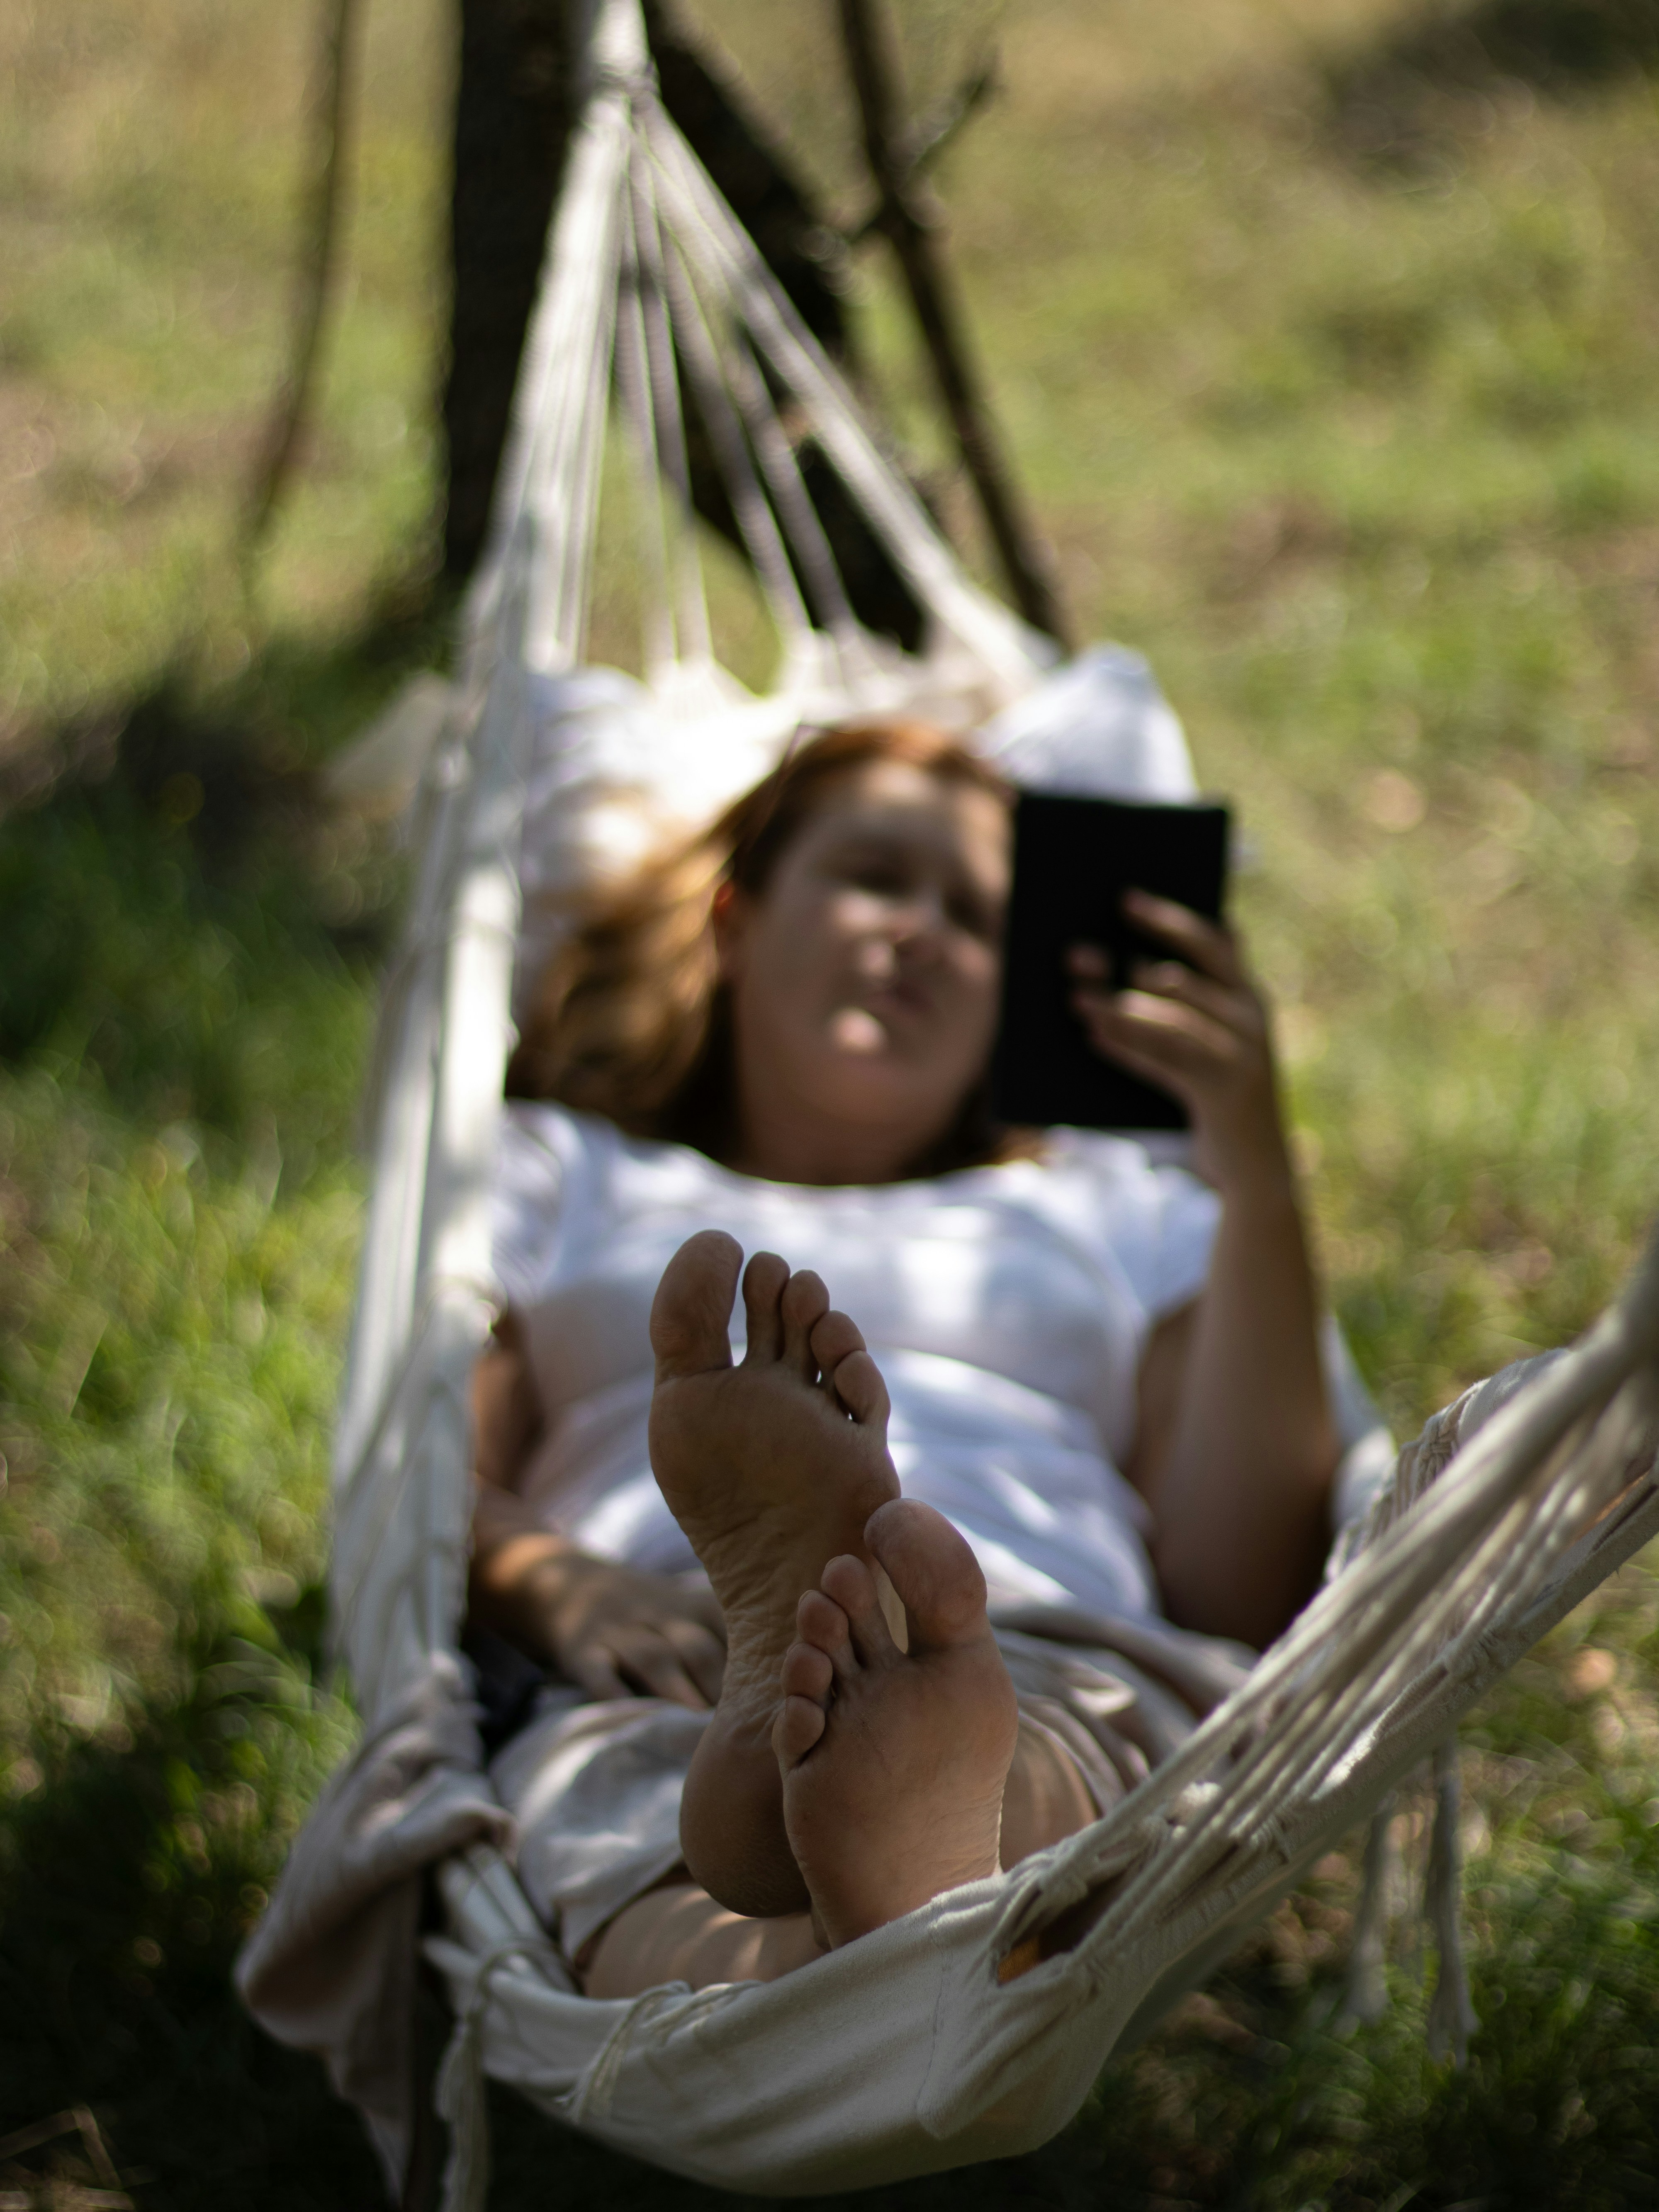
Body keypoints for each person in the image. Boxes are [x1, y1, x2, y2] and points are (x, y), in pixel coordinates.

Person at [467, 718, 1340, 2000]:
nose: (922, 931)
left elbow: (1236, 1583)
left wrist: (1254, 1168)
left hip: (1035, 1624)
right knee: (635, 1807)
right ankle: (888, 1856)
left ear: (1015, 1001)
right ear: (735, 924)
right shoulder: (567, 1170)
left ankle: (865, 1824)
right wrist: (557, 1585)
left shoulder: (1111, 1212)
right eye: (875, 875)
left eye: (976, 919)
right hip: (661, 1642)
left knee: (1016, 1730)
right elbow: (428, 1466)